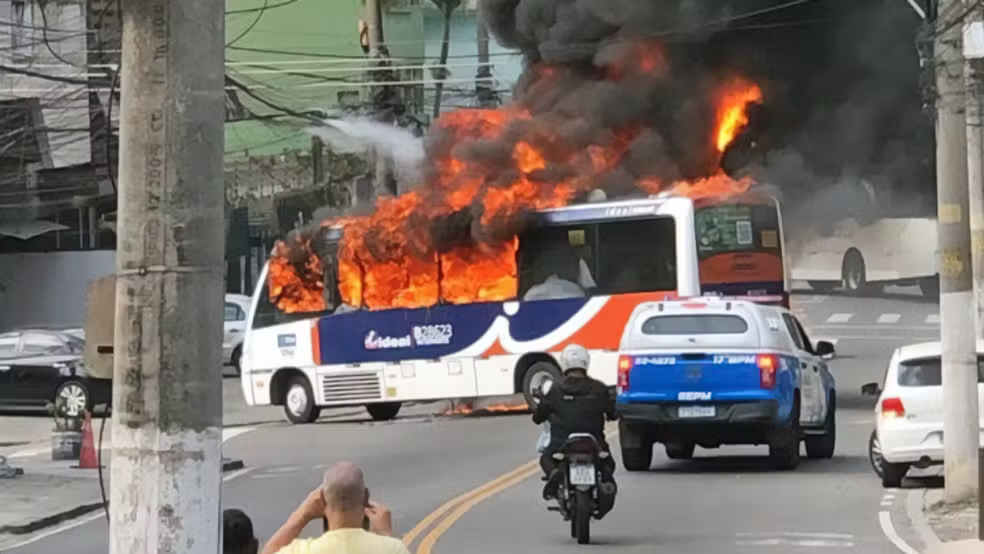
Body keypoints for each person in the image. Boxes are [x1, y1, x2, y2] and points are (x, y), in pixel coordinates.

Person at [533, 344, 618, 514]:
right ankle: (606, 484)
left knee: (546, 459)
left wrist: (542, 413)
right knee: (608, 464)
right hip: (594, 441)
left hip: (563, 441)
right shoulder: (599, 388)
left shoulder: (555, 389)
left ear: (564, 363)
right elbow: (612, 413)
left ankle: (554, 475)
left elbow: (538, 416)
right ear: (585, 362)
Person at [261, 461, 409, 554]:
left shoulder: (302, 551)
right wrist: (385, 535)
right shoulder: (392, 549)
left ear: (322, 500)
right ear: (366, 497)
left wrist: (301, 516)